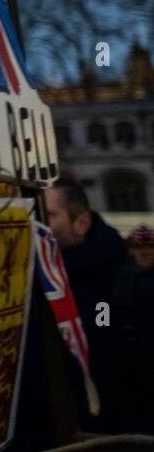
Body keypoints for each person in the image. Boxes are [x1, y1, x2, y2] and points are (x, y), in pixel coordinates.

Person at [45, 181, 154, 436]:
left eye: (46, 215)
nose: (33, 224)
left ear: (81, 223)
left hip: (123, 451)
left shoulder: (135, 289)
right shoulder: (22, 287)